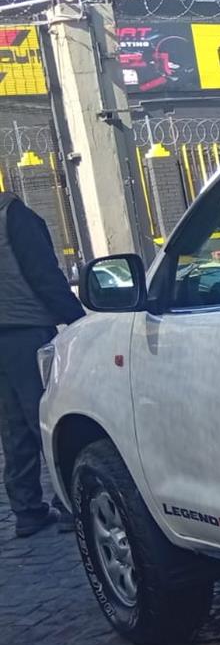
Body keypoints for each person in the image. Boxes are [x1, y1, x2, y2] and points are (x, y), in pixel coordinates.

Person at [0, 192, 84, 538]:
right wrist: (78, 320)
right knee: (46, 419)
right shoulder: (13, 215)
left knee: (14, 425)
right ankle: (67, 503)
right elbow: (43, 276)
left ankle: (27, 510)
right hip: (27, 330)